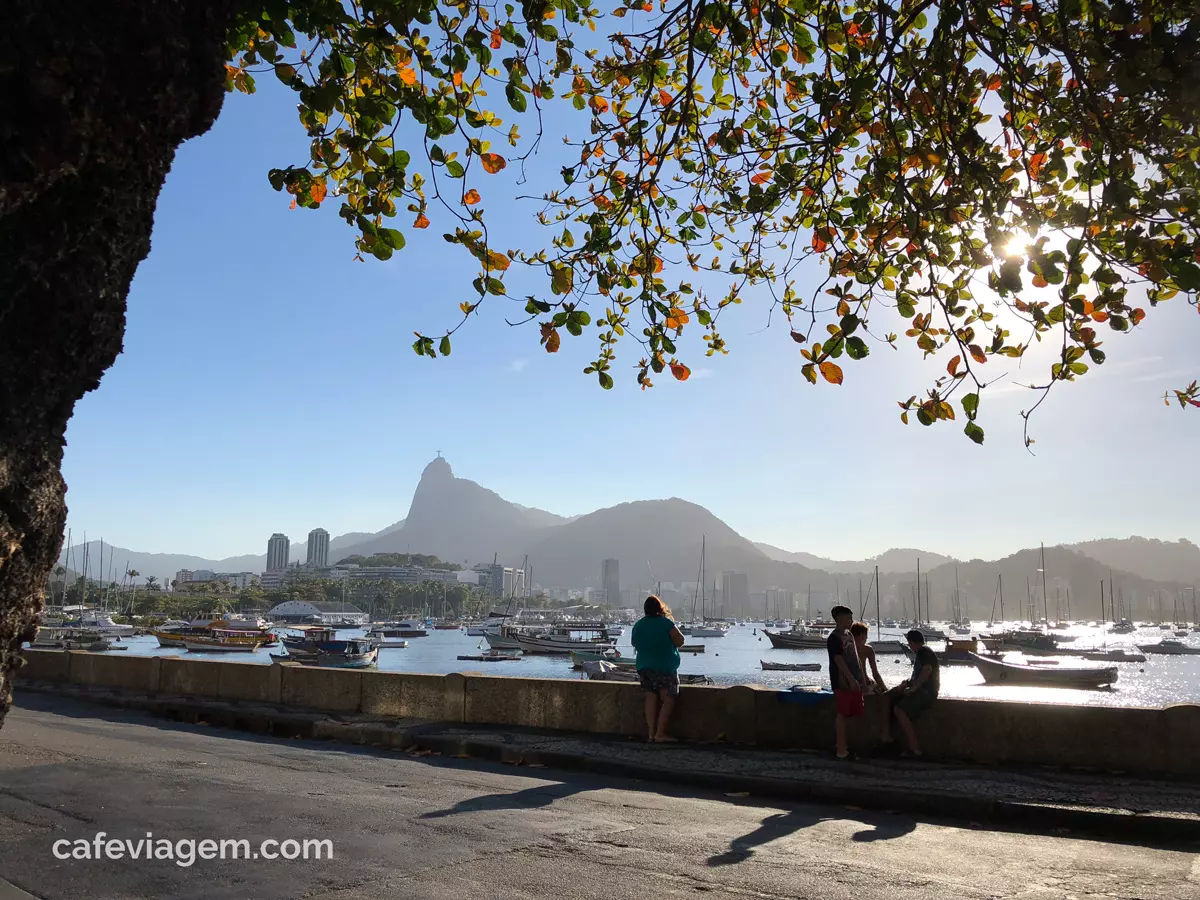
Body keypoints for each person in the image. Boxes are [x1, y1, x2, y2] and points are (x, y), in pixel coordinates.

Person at [631, 595, 685, 742]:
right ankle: (660, 734)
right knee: (668, 699)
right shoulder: (666, 623)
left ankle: (650, 734)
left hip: (644, 667)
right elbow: (680, 641)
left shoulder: (638, 625)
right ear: (660, 608)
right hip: (665, 667)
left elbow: (634, 643)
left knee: (651, 698)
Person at [882, 629, 940, 757]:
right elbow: (919, 675)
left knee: (899, 710)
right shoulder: (923, 653)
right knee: (890, 698)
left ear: (912, 643)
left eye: (909, 644)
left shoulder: (923, 652)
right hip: (923, 690)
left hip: (926, 693)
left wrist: (913, 689)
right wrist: (907, 683)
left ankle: (914, 748)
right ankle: (887, 736)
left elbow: (927, 669)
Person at [827, 605, 863, 759]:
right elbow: (838, 660)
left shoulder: (849, 635)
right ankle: (841, 749)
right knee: (842, 714)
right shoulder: (834, 638)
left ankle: (847, 747)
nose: (851, 621)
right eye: (848, 618)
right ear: (839, 619)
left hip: (854, 680)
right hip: (842, 682)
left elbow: (855, 657)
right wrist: (851, 679)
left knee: (853, 714)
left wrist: (862, 676)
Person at [850, 622, 886, 694]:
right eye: (865, 635)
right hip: (852, 683)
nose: (867, 638)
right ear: (858, 636)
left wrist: (884, 688)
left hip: (866, 681)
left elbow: (875, 673)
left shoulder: (868, 650)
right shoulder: (848, 649)